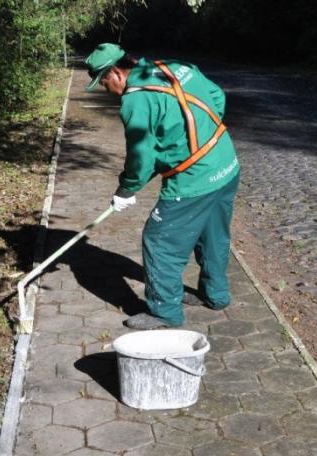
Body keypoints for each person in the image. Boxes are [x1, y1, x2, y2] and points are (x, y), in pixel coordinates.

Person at [84, 43, 240, 330]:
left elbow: (141, 159)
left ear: (116, 73)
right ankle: (215, 295)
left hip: (195, 181)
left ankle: (164, 313)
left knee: (159, 240)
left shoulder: (135, 101)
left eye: (103, 83)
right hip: (227, 164)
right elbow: (217, 97)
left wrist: (126, 190)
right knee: (213, 233)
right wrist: (202, 140)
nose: (106, 91)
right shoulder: (173, 66)